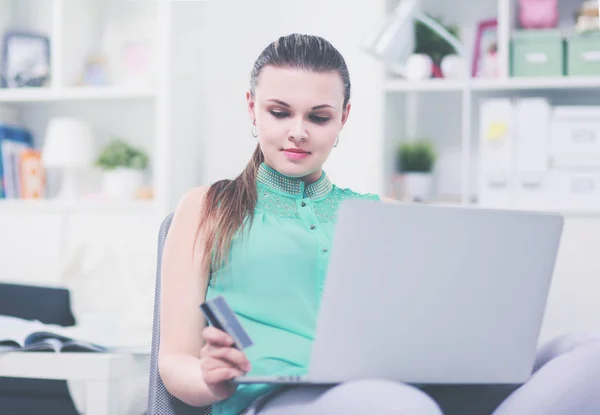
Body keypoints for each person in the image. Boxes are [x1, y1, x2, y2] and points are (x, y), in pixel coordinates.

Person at [158, 33, 600, 415]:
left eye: (318, 116)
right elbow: (175, 359)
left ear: (343, 118)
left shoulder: (381, 212)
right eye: (280, 112)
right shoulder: (206, 207)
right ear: (252, 108)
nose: (298, 131)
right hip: (276, 398)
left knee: (590, 356)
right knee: (397, 405)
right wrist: (212, 381)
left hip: (399, 389)